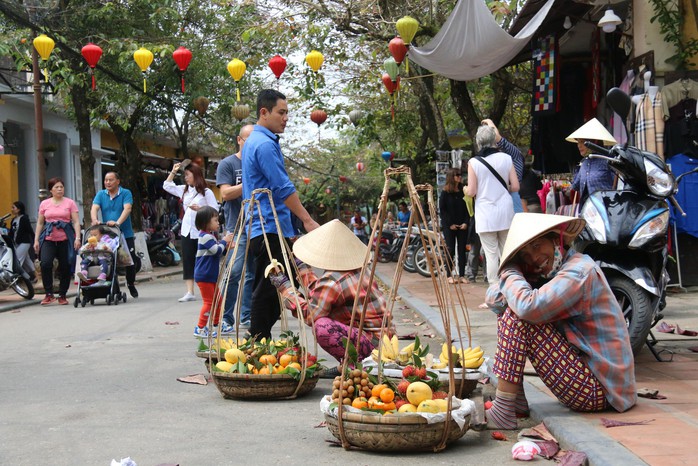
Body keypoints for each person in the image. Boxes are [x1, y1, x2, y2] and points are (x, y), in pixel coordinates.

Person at [484, 214, 636, 430]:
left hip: (602, 391)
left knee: (519, 314)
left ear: (557, 239)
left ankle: (505, 407)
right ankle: (513, 401)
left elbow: (528, 307)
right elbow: (493, 300)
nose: (534, 257)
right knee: (512, 308)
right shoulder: (550, 275)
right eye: (526, 256)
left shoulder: (579, 271)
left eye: (537, 246)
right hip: (585, 379)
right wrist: (517, 272)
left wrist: (510, 272)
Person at [267, 220, 395, 378]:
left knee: (322, 326)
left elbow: (311, 315)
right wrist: (301, 267)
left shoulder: (334, 279)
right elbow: (319, 294)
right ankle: (348, 363)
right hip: (384, 340)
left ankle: (356, 365)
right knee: (326, 314)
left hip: (374, 346)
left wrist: (286, 288)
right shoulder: (356, 269)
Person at [242, 89, 320, 340]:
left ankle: (258, 340)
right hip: (268, 228)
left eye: (287, 113)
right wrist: (307, 220)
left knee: (280, 286)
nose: (285, 118)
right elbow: (283, 187)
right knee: (269, 289)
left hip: (271, 226)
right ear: (264, 113)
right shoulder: (263, 144)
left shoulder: (261, 140)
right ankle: (256, 342)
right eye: (281, 112)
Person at [464, 125, 520, 285]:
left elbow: (472, 190)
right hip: (505, 212)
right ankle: (512, 288)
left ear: (478, 142)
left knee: (491, 255)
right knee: (506, 253)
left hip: (486, 214)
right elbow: (515, 187)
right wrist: (502, 190)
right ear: (493, 139)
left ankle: (496, 292)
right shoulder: (506, 158)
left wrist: (466, 189)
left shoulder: (474, 162)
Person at [217, 124, 255, 331]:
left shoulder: (258, 163)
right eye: (247, 139)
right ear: (239, 140)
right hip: (236, 227)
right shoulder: (228, 164)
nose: (251, 143)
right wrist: (249, 181)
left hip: (258, 226)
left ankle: (246, 316)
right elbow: (225, 193)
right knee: (234, 272)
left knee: (253, 274)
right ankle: (226, 318)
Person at [164, 162, 219, 302]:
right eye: (185, 175)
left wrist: (200, 209)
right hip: (187, 231)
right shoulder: (184, 190)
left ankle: (210, 288)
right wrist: (173, 171)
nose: (186, 178)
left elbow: (215, 210)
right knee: (188, 260)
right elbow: (167, 186)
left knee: (204, 260)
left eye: (188, 175)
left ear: (196, 175)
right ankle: (190, 291)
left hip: (201, 232)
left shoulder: (207, 192)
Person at [91, 171, 139, 298]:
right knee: (109, 258)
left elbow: (127, 208)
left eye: (110, 180)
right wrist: (95, 219)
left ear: (118, 181)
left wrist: (117, 222)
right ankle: (113, 286)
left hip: (125, 233)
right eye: (106, 180)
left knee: (130, 260)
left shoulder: (125, 193)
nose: (107, 182)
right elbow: (94, 208)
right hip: (108, 234)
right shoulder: (101, 194)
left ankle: (130, 283)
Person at [34, 177, 81, 305]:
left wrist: (77, 237)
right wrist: (36, 240)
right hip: (49, 238)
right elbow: (40, 222)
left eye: (61, 187)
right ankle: (49, 293)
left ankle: (62, 294)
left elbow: (76, 221)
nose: (60, 189)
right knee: (45, 263)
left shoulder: (70, 203)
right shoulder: (44, 204)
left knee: (65, 266)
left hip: (65, 238)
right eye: (57, 187)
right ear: (51, 190)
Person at [193, 206, 234, 338]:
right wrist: (224, 241)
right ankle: (200, 327)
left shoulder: (210, 236)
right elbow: (216, 250)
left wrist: (226, 245)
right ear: (206, 222)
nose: (218, 223)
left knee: (218, 300)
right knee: (209, 302)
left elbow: (218, 251)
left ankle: (217, 324)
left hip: (210, 276)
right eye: (215, 220)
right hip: (204, 276)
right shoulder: (205, 237)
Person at [566, 118, 617, 207]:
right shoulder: (584, 163)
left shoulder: (608, 161)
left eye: (582, 142)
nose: (579, 146)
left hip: (606, 210)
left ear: (594, 142)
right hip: (587, 212)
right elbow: (575, 186)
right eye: (578, 142)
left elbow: (618, 187)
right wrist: (577, 168)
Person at [481, 119, 525, 213]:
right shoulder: (499, 158)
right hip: (498, 199)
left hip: (510, 196)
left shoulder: (514, 154)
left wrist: (490, 122)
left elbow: (497, 138)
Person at [439, 168, 470, 284]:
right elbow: (443, 210)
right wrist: (450, 224)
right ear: (451, 177)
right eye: (457, 175)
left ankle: (462, 274)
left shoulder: (464, 190)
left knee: (462, 249)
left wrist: (466, 222)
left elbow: (468, 207)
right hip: (450, 226)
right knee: (450, 249)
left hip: (462, 224)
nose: (459, 177)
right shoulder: (445, 192)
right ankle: (448, 274)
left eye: (460, 175)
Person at [10, 201, 36, 282]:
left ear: (18, 209)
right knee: (26, 261)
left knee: (17, 259)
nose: (12, 209)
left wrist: (35, 240)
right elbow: (12, 232)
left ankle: (15, 278)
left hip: (24, 242)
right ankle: (36, 276)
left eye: (13, 207)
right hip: (16, 242)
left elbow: (29, 230)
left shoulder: (24, 218)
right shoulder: (13, 219)